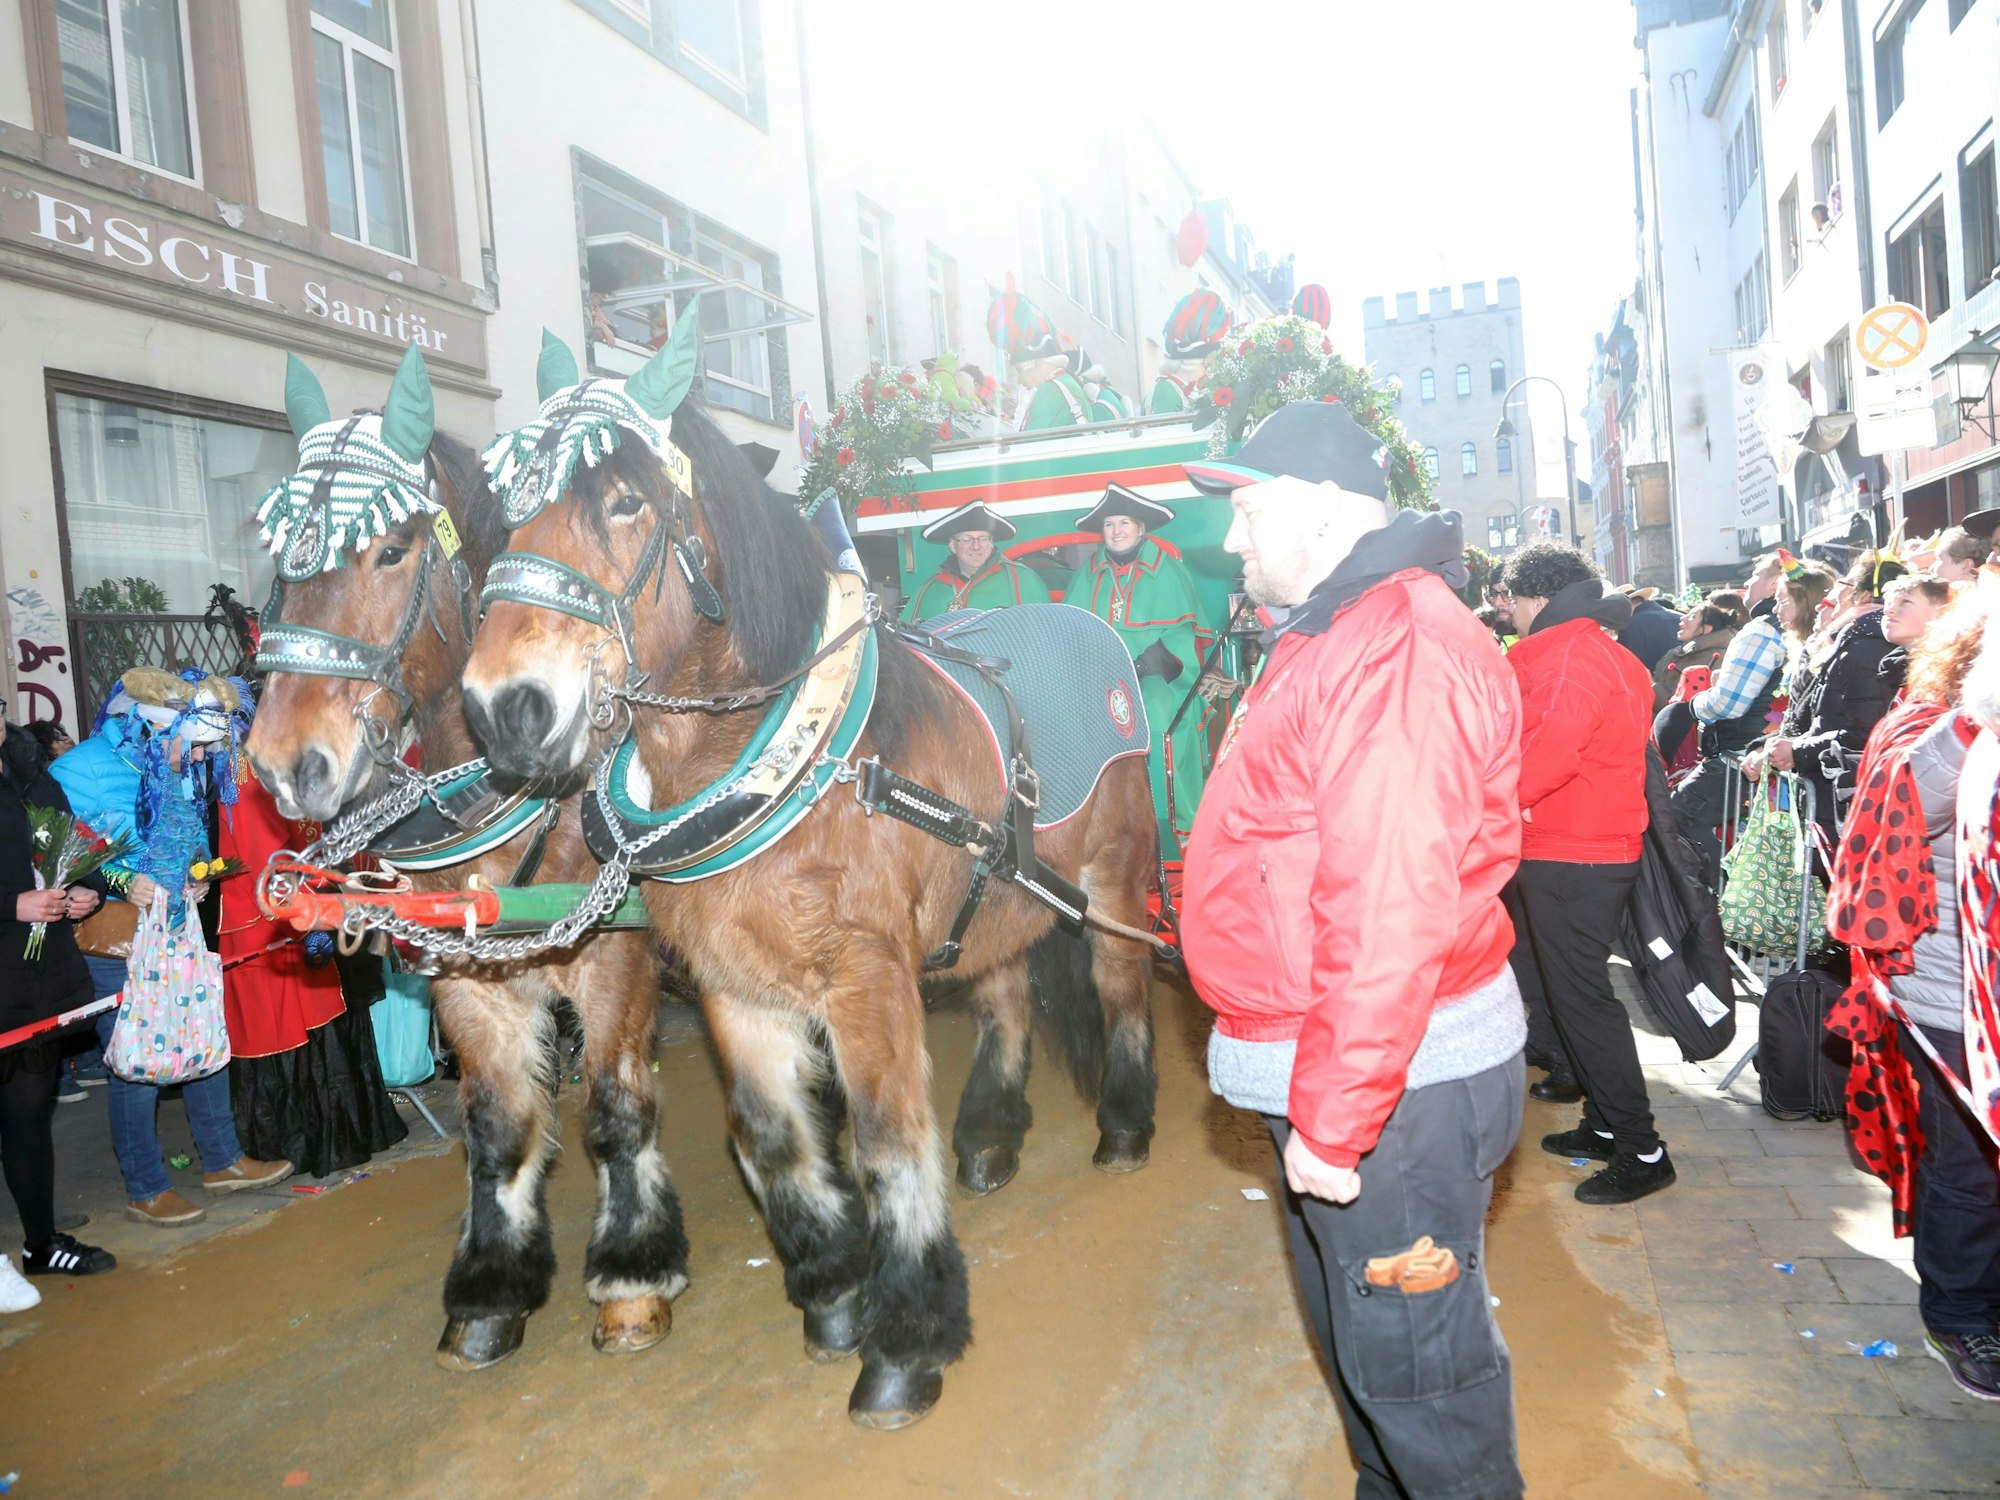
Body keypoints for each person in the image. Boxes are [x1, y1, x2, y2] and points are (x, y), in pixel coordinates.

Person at [1180, 400, 1527, 1500]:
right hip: (1365, 1079)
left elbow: (1389, 909)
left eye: (1246, 511)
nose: (1230, 541)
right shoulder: (1349, 625)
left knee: (1424, 1387)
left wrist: (1333, 1119)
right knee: (1376, 1372)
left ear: (1324, 511)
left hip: (1389, 1097)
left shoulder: (1397, 643)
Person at [1827, 599, 2000, 1400]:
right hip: (1953, 999)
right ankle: (1960, 1313)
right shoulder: (1944, 731)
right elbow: (1901, 796)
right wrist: (1981, 715)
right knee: (1968, 1170)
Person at [51, 669, 292, 1227]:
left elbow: (186, 826)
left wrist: (199, 873)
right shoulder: (78, 769)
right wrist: (116, 881)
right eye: (190, 744)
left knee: (203, 1032)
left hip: (180, 924)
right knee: (134, 1059)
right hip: (116, 937)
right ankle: (145, 1186)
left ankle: (223, 1160)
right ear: (146, 727)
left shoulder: (177, 760)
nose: (196, 757)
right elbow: (56, 857)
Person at [1501, 542, 1674, 1204]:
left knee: (1585, 1003)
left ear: (1537, 600)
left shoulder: (1566, 657)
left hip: (1571, 848)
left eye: (1513, 601)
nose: (1511, 614)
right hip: (1590, 846)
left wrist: (1480, 806)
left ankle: (1641, 1147)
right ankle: (1605, 1126)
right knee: (1578, 994)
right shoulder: (1602, 651)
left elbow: (1546, 755)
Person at [221, 763, 408, 1176]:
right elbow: (264, 856)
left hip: (309, 899)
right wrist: (316, 897)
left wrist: (336, 883)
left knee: (326, 1013)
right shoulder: (243, 770)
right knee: (286, 1024)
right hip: (269, 917)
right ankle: (297, 1145)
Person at [1, 716, 117, 1301]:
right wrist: (9, 904)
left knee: (28, 1109)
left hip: (34, 976)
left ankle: (40, 1243)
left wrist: (83, 888)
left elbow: (69, 844)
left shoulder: (29, 773)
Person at [1062, 483, 1213, 856]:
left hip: (1158, 680)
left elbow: (1182, 641)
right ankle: (1107, 837)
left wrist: (1140, 665)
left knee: (1161, 724)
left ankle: (1171, 836)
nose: (1116, 531)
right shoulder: (1087, 575)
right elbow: (1072, 633)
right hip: (1102, 683)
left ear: (1141, 528)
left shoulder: (1168, 570)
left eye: (1124, 522)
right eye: (1110, 524)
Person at [1746, 553, 1902, 835]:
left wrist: (1795, 751)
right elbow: (1808, 717)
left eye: (1844, 583)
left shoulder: (1861, 650)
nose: (1825, 601)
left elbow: (1863, 734)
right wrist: (1768, 745)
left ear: (1863, 595)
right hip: (1830, 793)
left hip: (1845, 800)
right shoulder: (1844, 644)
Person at [1671, 556, 1791, 879]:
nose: (1748, 583)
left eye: (1755, 575)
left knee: (1676, 817)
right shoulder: (1772, 629)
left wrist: (1692, 706)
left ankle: (1715, 900)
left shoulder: (1762, 631)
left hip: (1740, 755)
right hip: (1754, 753)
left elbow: (1729, 703)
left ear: (1773, 583)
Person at [901, 502, 1053, 621]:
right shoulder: (929, 591)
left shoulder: (1023, 580)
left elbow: (1047, 635)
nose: (976, 546)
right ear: (953, 546)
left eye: (982, 538)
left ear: (991, 542)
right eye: (967, 539)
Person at [1651, 591, 1747, 762]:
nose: (1683, 619)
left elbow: (1685, 702)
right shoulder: (1686, 651)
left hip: (1685, 746)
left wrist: (1649, 685)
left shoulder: (1711, 657)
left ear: (1707, 628)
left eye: (1692, 616)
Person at [1615, 584, 1683, 672]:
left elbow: (1633, 668)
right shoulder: (1682, 617)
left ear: (1622, 607)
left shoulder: (1630, 626)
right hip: (1690, 680)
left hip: (1653, 683)